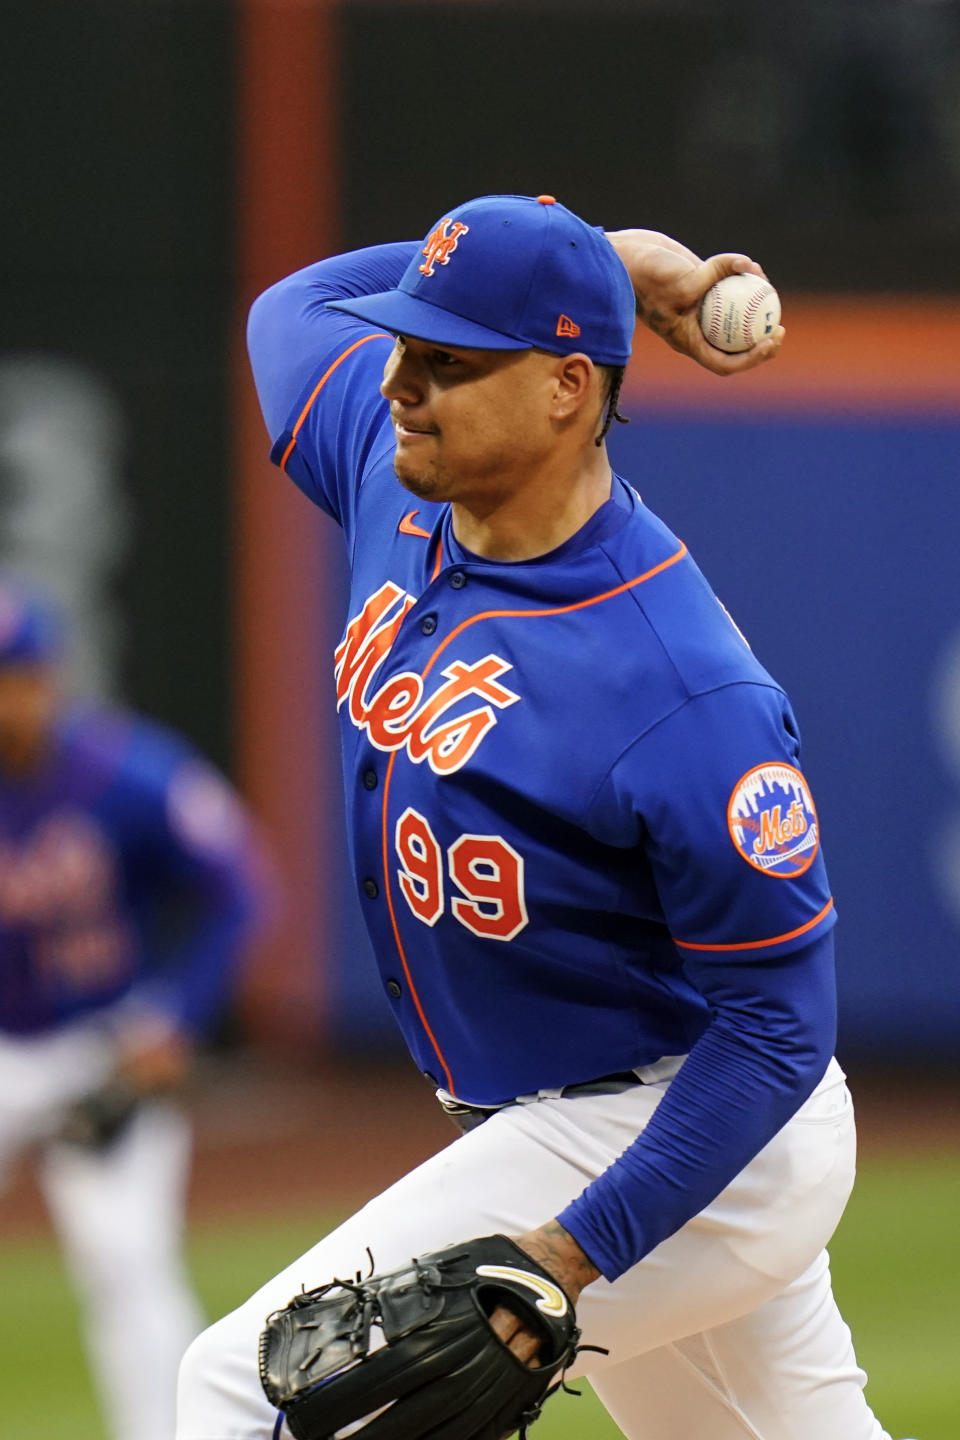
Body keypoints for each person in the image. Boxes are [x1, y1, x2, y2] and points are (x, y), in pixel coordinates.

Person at [177, 195, 903, 1440]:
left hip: (694, 1127)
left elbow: (780, 1031)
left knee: (247, 1391)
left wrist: (569, 1254)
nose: (403, 383)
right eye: (407, 348)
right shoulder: (395, 474)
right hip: (571, 1112)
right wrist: (603, 262)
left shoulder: (682, 688)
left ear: (568, 386)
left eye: (449, 362)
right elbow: (294, 310)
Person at [0, 576, 267, 1440]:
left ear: (50, 676)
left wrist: (176, 1023)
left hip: (104, 1045)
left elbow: (242, 891)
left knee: (128, 1264)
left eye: (15, 675)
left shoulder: (127, 769)